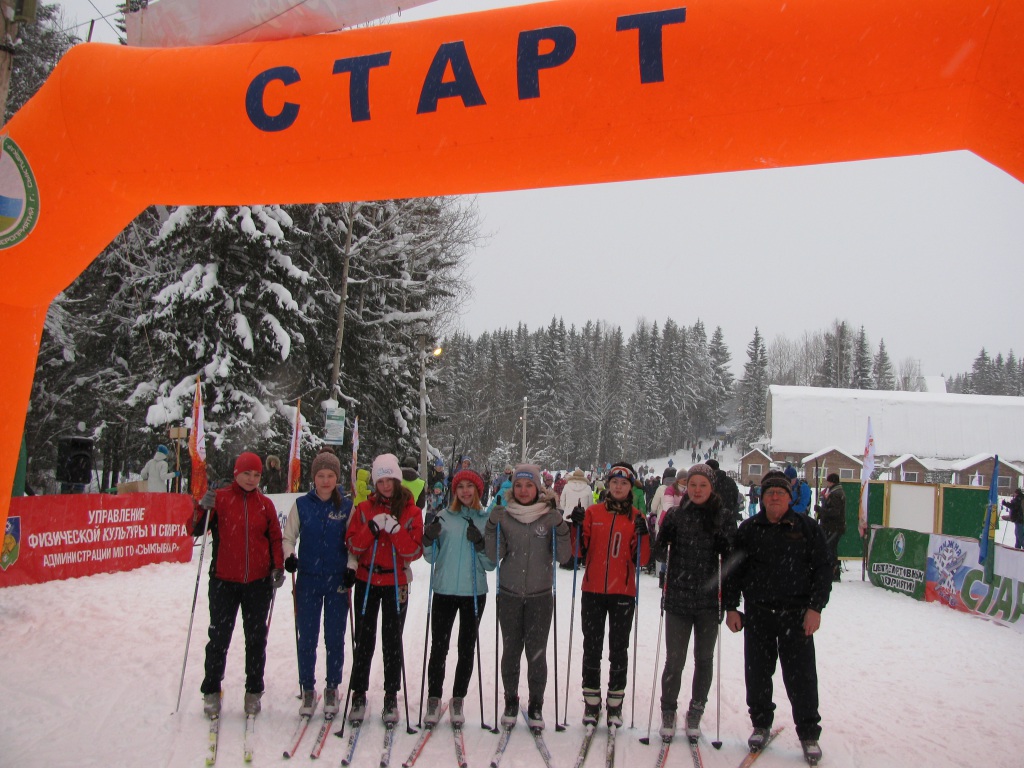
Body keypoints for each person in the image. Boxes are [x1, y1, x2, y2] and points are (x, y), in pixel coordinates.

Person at [724, 470, 832, 765]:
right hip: (758, 614)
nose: (774, 497)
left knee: (802, 677)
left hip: (796, 616)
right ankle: (761, 724)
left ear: (789, 497)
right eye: (769, 492)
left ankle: (808, 733)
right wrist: (731, 607)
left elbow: (823, 569)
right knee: (757, 674)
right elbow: (733, 571)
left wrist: (816, 608)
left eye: (780, 493)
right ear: (761, 497)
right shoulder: (748, 530)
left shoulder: (807, 528)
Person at [191, 452, 285, 719]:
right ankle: (211, 689)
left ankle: (253, 690)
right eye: (247, 474)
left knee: (256, 640)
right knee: (219, 638)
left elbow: (275, 538)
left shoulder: (265, 504)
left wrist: (277, 566)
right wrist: (202, 507)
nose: (252, 479)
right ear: (236, 473)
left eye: (256, 475)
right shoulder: (220, 499)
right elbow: (195, 529)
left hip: (258, 583)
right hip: (224, 581)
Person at [485, 464, 571, 730]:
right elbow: (494, 555)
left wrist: (562, 527)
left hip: (540, 596)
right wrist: (491, 526)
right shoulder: (505, 515)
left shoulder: (548, 516)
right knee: (511, 651)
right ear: (513, 488)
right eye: (519, 485)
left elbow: (564, 556)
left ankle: (536, 705)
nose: (523, 490)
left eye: (529, 485)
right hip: (509, 594)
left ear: (538, 488)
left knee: (537, 653)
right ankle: (511, 701)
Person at [653, 464, 735, 741]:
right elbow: (659, 554)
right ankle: (668, 709)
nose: (697, 490)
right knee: (674, 660)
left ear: (712, 487)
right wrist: (661, 537)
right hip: (678, 598)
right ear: (686, 487)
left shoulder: (723, 517)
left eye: (703, 485)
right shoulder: (676, 515)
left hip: (708, 602)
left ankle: (696, 709)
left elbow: (731, 561)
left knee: (704, 659)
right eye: (693, 485)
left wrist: (726, 543)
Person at [345, 453, 424, 724]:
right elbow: (353, 546)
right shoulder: (364, 509)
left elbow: (413, 551)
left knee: (392, 641)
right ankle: (359, 692)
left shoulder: (411, 511)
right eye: (381, 480)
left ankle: (391, 695)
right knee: (364, 639)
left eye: (390, 479)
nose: (386, 485)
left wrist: (395, 530)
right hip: (367, 580)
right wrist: (372, 528)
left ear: (397, 480)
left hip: (395, 582)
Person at [570, 462, 650, 727]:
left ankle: (615, 704)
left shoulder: (637, 517)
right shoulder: (593, 512)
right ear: (607, 484)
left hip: (622, 593)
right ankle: (591, 702)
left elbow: (643, 560)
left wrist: (644, 536)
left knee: (619, 648)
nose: (618, 486)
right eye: (614, 482)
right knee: (591, 647)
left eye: (624, 483)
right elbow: (577, 551)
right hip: (593, 590)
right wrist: (576, 526)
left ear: (631, 488)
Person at [282, 448, 353, 717]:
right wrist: (290, 556)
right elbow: (288, 537)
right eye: (321, 475)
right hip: (308, 580)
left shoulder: (346, 506)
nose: (325, 481)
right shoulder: (302, 504)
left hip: (337, 580)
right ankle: (308, 688)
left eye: (330, 475)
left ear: (337, 478)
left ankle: (332, 686)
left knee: (334, 637)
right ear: (314, 477)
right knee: (307, 637)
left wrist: (352, 567)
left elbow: (354, 543)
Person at [421, 468, 495, 726]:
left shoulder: (485, 521)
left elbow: (490, 564)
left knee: (466, 648)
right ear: (454, 491)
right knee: (438, 648)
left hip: (473, 592)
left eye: (469, 486)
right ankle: (433, 697)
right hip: (444, 591)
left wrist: (480, 544)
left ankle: (458, 698)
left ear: (478, 491)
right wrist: (428, 539)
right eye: (460, 487)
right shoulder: (443, 517)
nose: (465, 491)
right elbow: (430, 557)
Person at [814, 473, 847, 581]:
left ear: (831, 482)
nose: (827, 484)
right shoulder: (836, 492)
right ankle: (833, 572)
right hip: (834, 526)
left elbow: (834, 512)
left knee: (830, 549)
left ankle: (834, 573)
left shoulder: (835, 494)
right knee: (831, 549)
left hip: (833, 527)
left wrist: (820, 510)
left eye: (828, 481)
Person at [559, 469, 593, 570]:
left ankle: (567, 559)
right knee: (580, 539)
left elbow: (562, 501)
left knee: (567, 539)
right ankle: (579, 558)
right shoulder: (587, 488)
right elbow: (590, 504)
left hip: (568, 517)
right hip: (581, 517)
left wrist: (567, 509)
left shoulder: (567, 486)